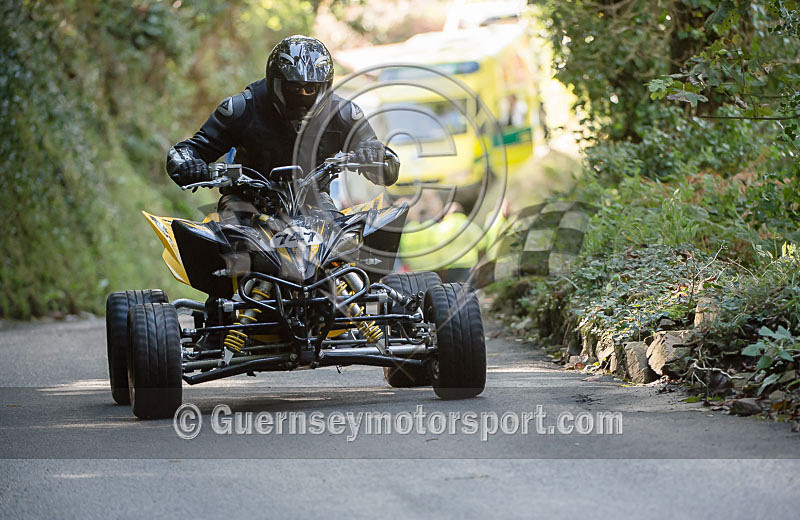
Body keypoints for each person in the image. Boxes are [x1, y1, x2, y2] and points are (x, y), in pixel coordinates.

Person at [165, 35, 399, 222]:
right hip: (246, 202)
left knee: (345, 245)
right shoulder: (241, 108)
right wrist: (190, 165)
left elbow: (389, 168)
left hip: (313, 201)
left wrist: (373, 154)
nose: (302, 96)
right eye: (293, 88)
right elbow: (187, 150)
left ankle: (354, 282)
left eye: (311, 88)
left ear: (325, 87)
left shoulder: (344, 114)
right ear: (274, 82)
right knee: (232, 252)